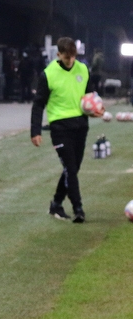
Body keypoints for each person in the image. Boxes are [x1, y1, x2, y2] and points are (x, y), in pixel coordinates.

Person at [31, 36, 99, 223]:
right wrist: (35, 131)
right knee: (70, 167)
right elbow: (38, 105)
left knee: (73, 168)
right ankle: (78, 209)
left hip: (80, 125)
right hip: (60, 128)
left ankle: (56, 203)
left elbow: (90, 94)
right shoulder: (48, 74)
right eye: (66, 57)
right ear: (58, 54)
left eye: (73, 57)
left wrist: (95, 109)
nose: (70, 61)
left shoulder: (83, 69)